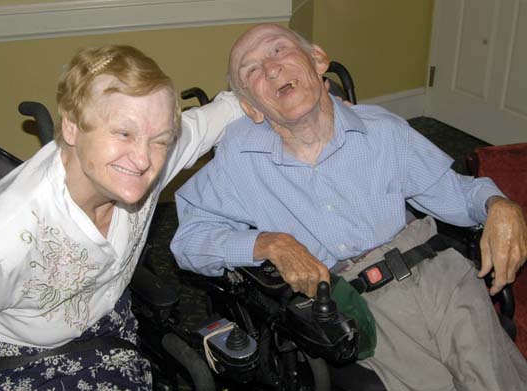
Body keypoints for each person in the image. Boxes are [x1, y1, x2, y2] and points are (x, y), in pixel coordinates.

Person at [170, 24, 527, 390]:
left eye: (278, 50)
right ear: (250, 107)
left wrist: (496, 203)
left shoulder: (383, 130)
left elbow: (456, 195)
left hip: (439, 274)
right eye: (252, 70)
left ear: (317, 60)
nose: (271, 69)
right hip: (357, 306)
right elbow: (188, 243)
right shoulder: (237, 160)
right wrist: (269, 243)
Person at [0, 45, 242, 390]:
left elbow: (214, 118)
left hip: (110, 325)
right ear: (73, 127)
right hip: (23, 356)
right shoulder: (3, 235)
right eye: (123, 133)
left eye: (160, 140)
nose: (142, 160)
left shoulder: (149, 162)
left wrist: (262, 91)